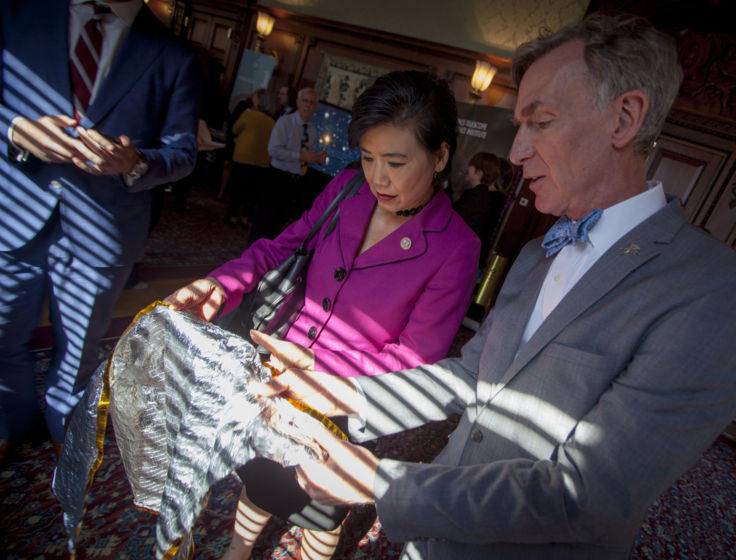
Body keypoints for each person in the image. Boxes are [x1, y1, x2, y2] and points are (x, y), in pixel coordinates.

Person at [250, 13, 736, 560]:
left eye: (542, 122)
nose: (515, 152)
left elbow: (588, 495)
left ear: (624, 119)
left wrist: (381, 483)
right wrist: (344, 394)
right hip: (431, 540)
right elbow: (469, 377)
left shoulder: (726, 297)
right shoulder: (537, 254)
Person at [164, 70, 481, 560]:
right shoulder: (346, 190)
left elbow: (417, 358)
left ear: (440, 156)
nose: (378, 177)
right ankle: (238, 550)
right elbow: (281, 248)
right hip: (274, 377)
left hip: (347, 404)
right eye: (369, 157)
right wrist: (219, 284)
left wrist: (320, 372)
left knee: (318, 508)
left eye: (396, 162)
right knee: (260, 475)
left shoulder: (457, 246)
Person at [0, 0, 199, 463]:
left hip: (106, 228)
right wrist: (13, 130)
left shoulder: (173, 53)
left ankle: (62, 427)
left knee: (79, 352)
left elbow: (183, 152)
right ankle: (9, 417)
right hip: (14, 210)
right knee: (3, 333)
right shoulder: (17, 12)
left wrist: (138, 162)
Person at [250, 87, 327, 243]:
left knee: (279, 223)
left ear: (316, 107)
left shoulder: (312, 130)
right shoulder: (285, 122)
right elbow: (273, 150)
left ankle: (268, 260)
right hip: (277, 177)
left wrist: (316, 158)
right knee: (264, 220)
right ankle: (251, 258)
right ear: (298, 102)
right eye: (305, 101)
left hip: (295, 181)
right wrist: (299, 156)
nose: (308, 105)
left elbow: (305, 156)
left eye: (312, 103)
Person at [226, 89, 276, 227]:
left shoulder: (248, 115)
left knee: (237, 188)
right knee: (251, 192)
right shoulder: (271, 122)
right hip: (261, 161)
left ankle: (233, 215)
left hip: (243, 157)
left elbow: (235, 129)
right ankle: (246, 217)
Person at [453, 151, 507, 267]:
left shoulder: (476, 196)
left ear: (479, 172)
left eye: (471, 165)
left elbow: (455, 223)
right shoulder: (482, 195)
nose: (468, 167)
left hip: (461, 255)